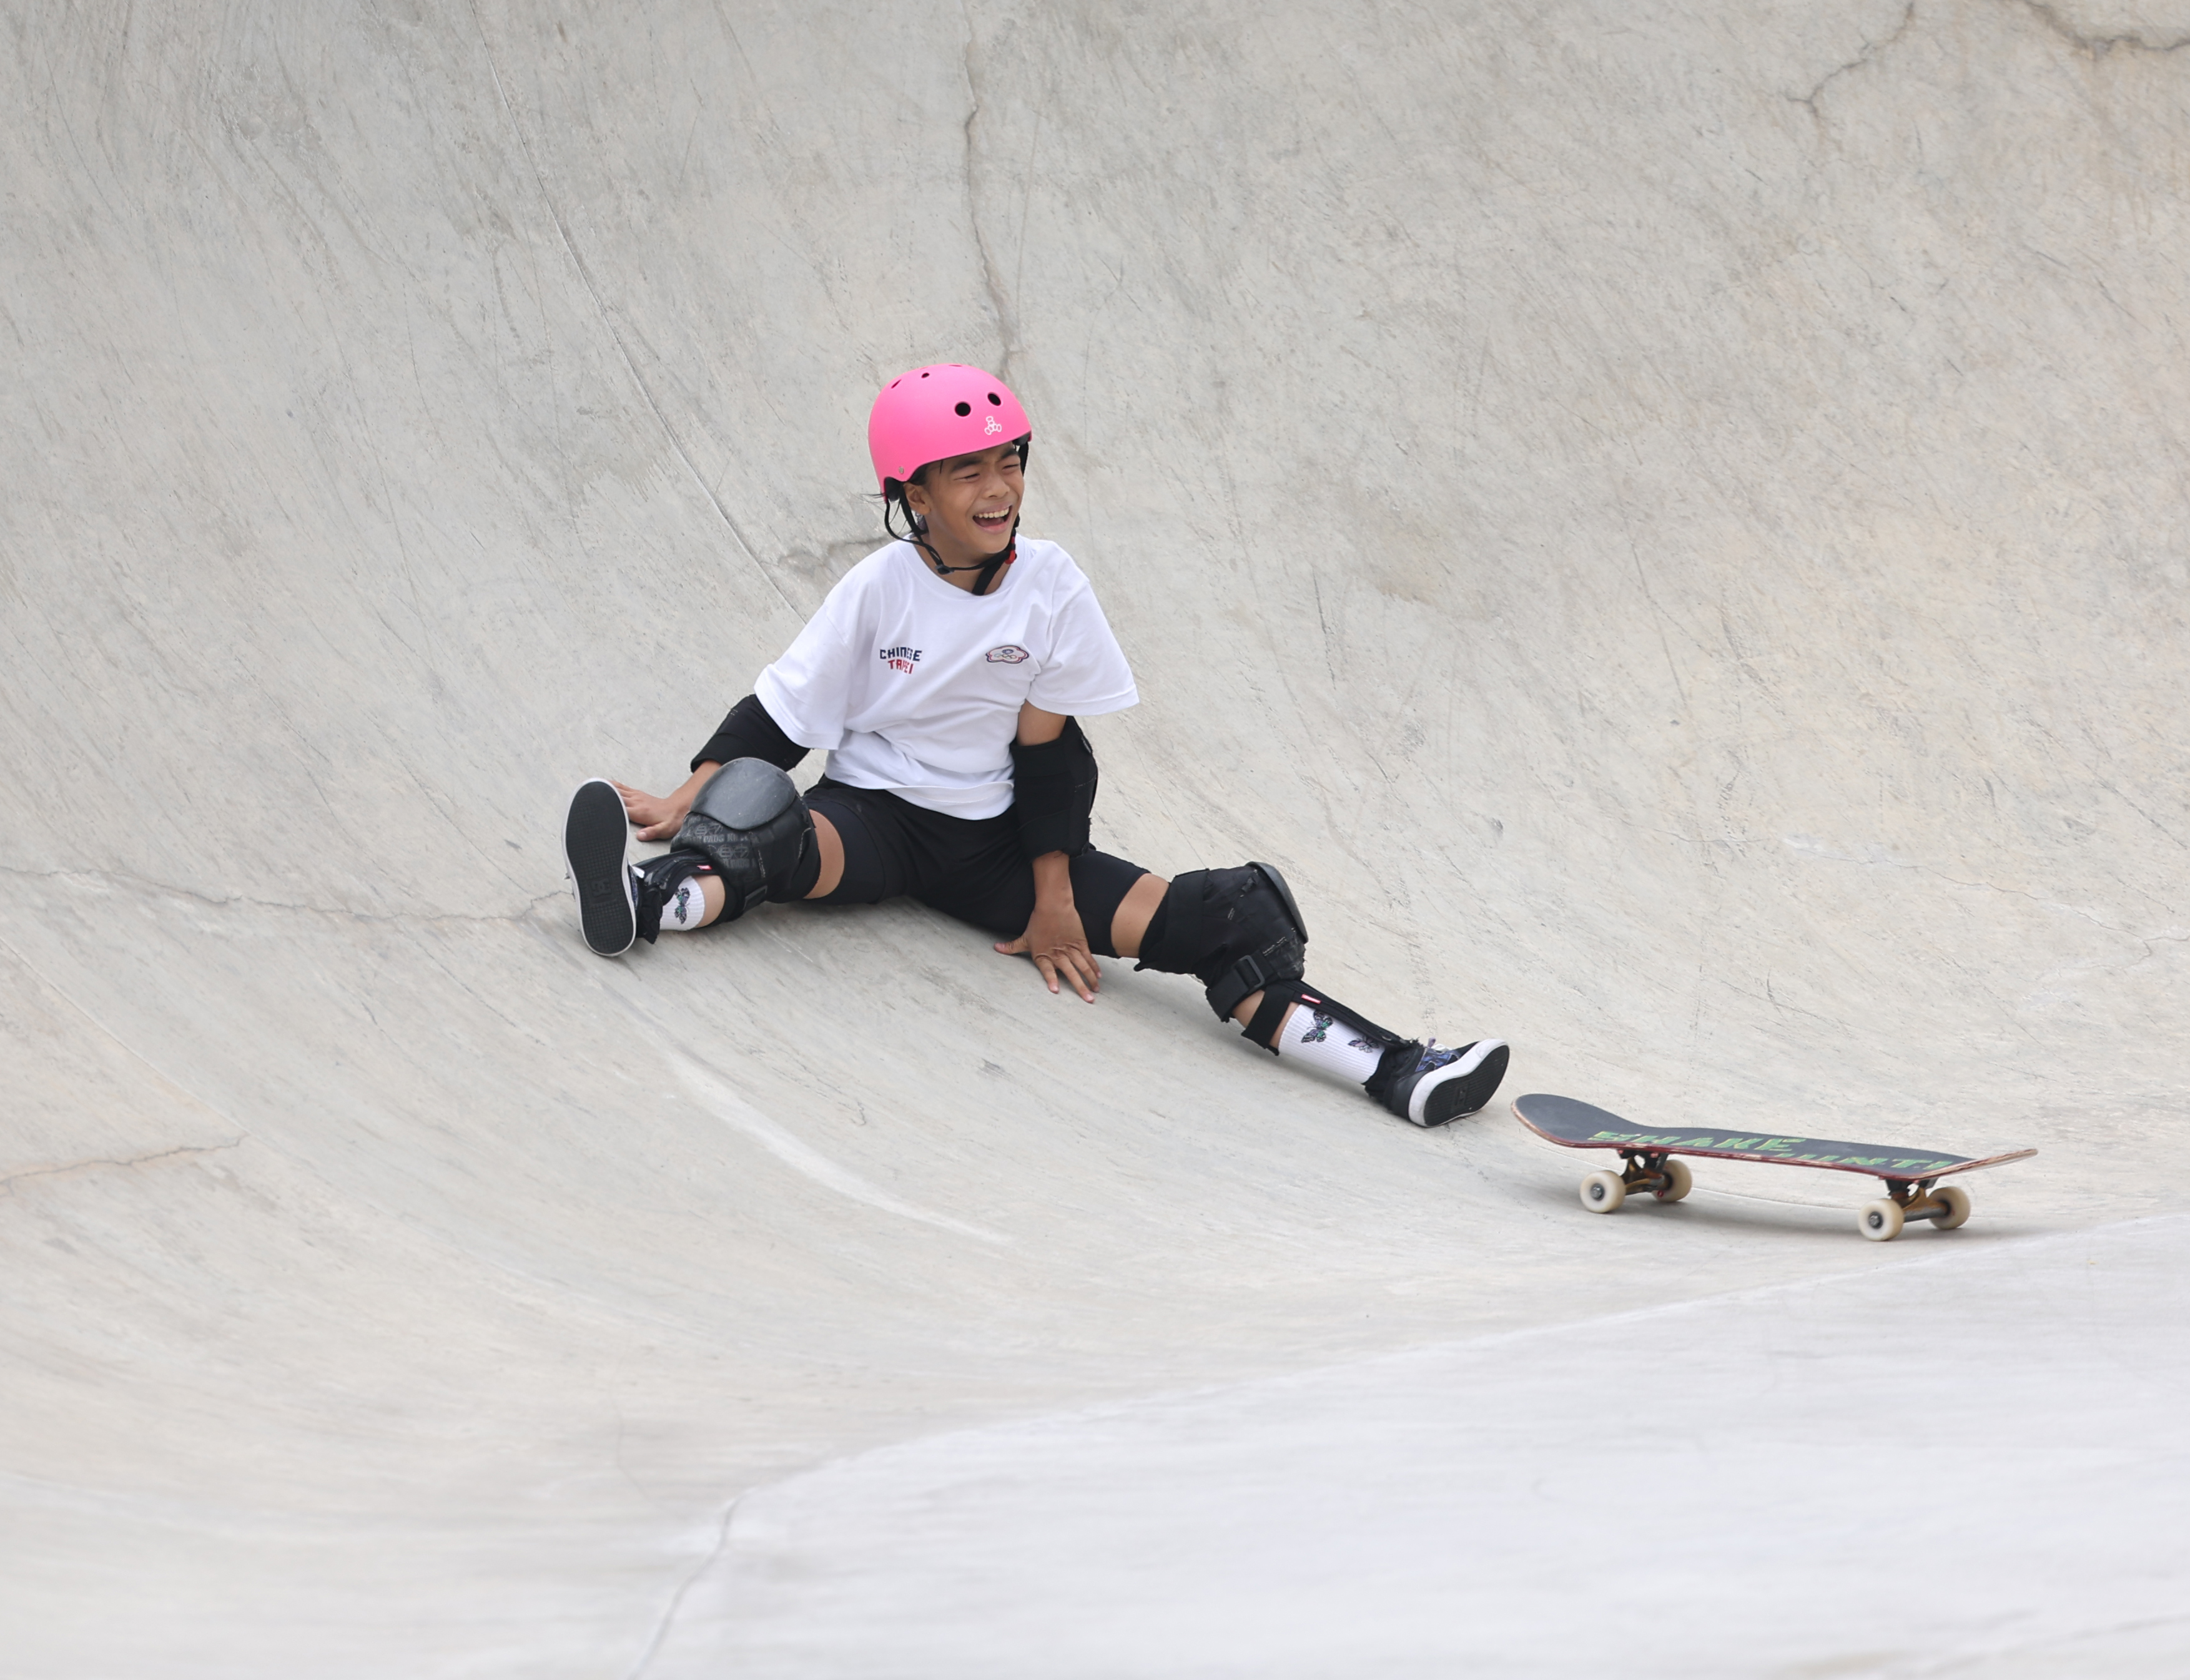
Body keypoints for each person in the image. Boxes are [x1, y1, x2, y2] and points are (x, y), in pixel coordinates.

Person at [561, 365, 1508, 1127]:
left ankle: (1397, 1071)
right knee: (760, 812)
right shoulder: (878, 588)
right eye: (968, 471)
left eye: (1010, 460)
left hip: (1001, 847)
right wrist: (689, 798)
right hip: (876, 819)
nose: (1000, 487)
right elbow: (780, 711)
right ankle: (650, 903)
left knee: (1236, 918)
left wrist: (1055, 901)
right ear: (913, 494)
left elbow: (1051, 761)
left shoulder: (1050, 588)